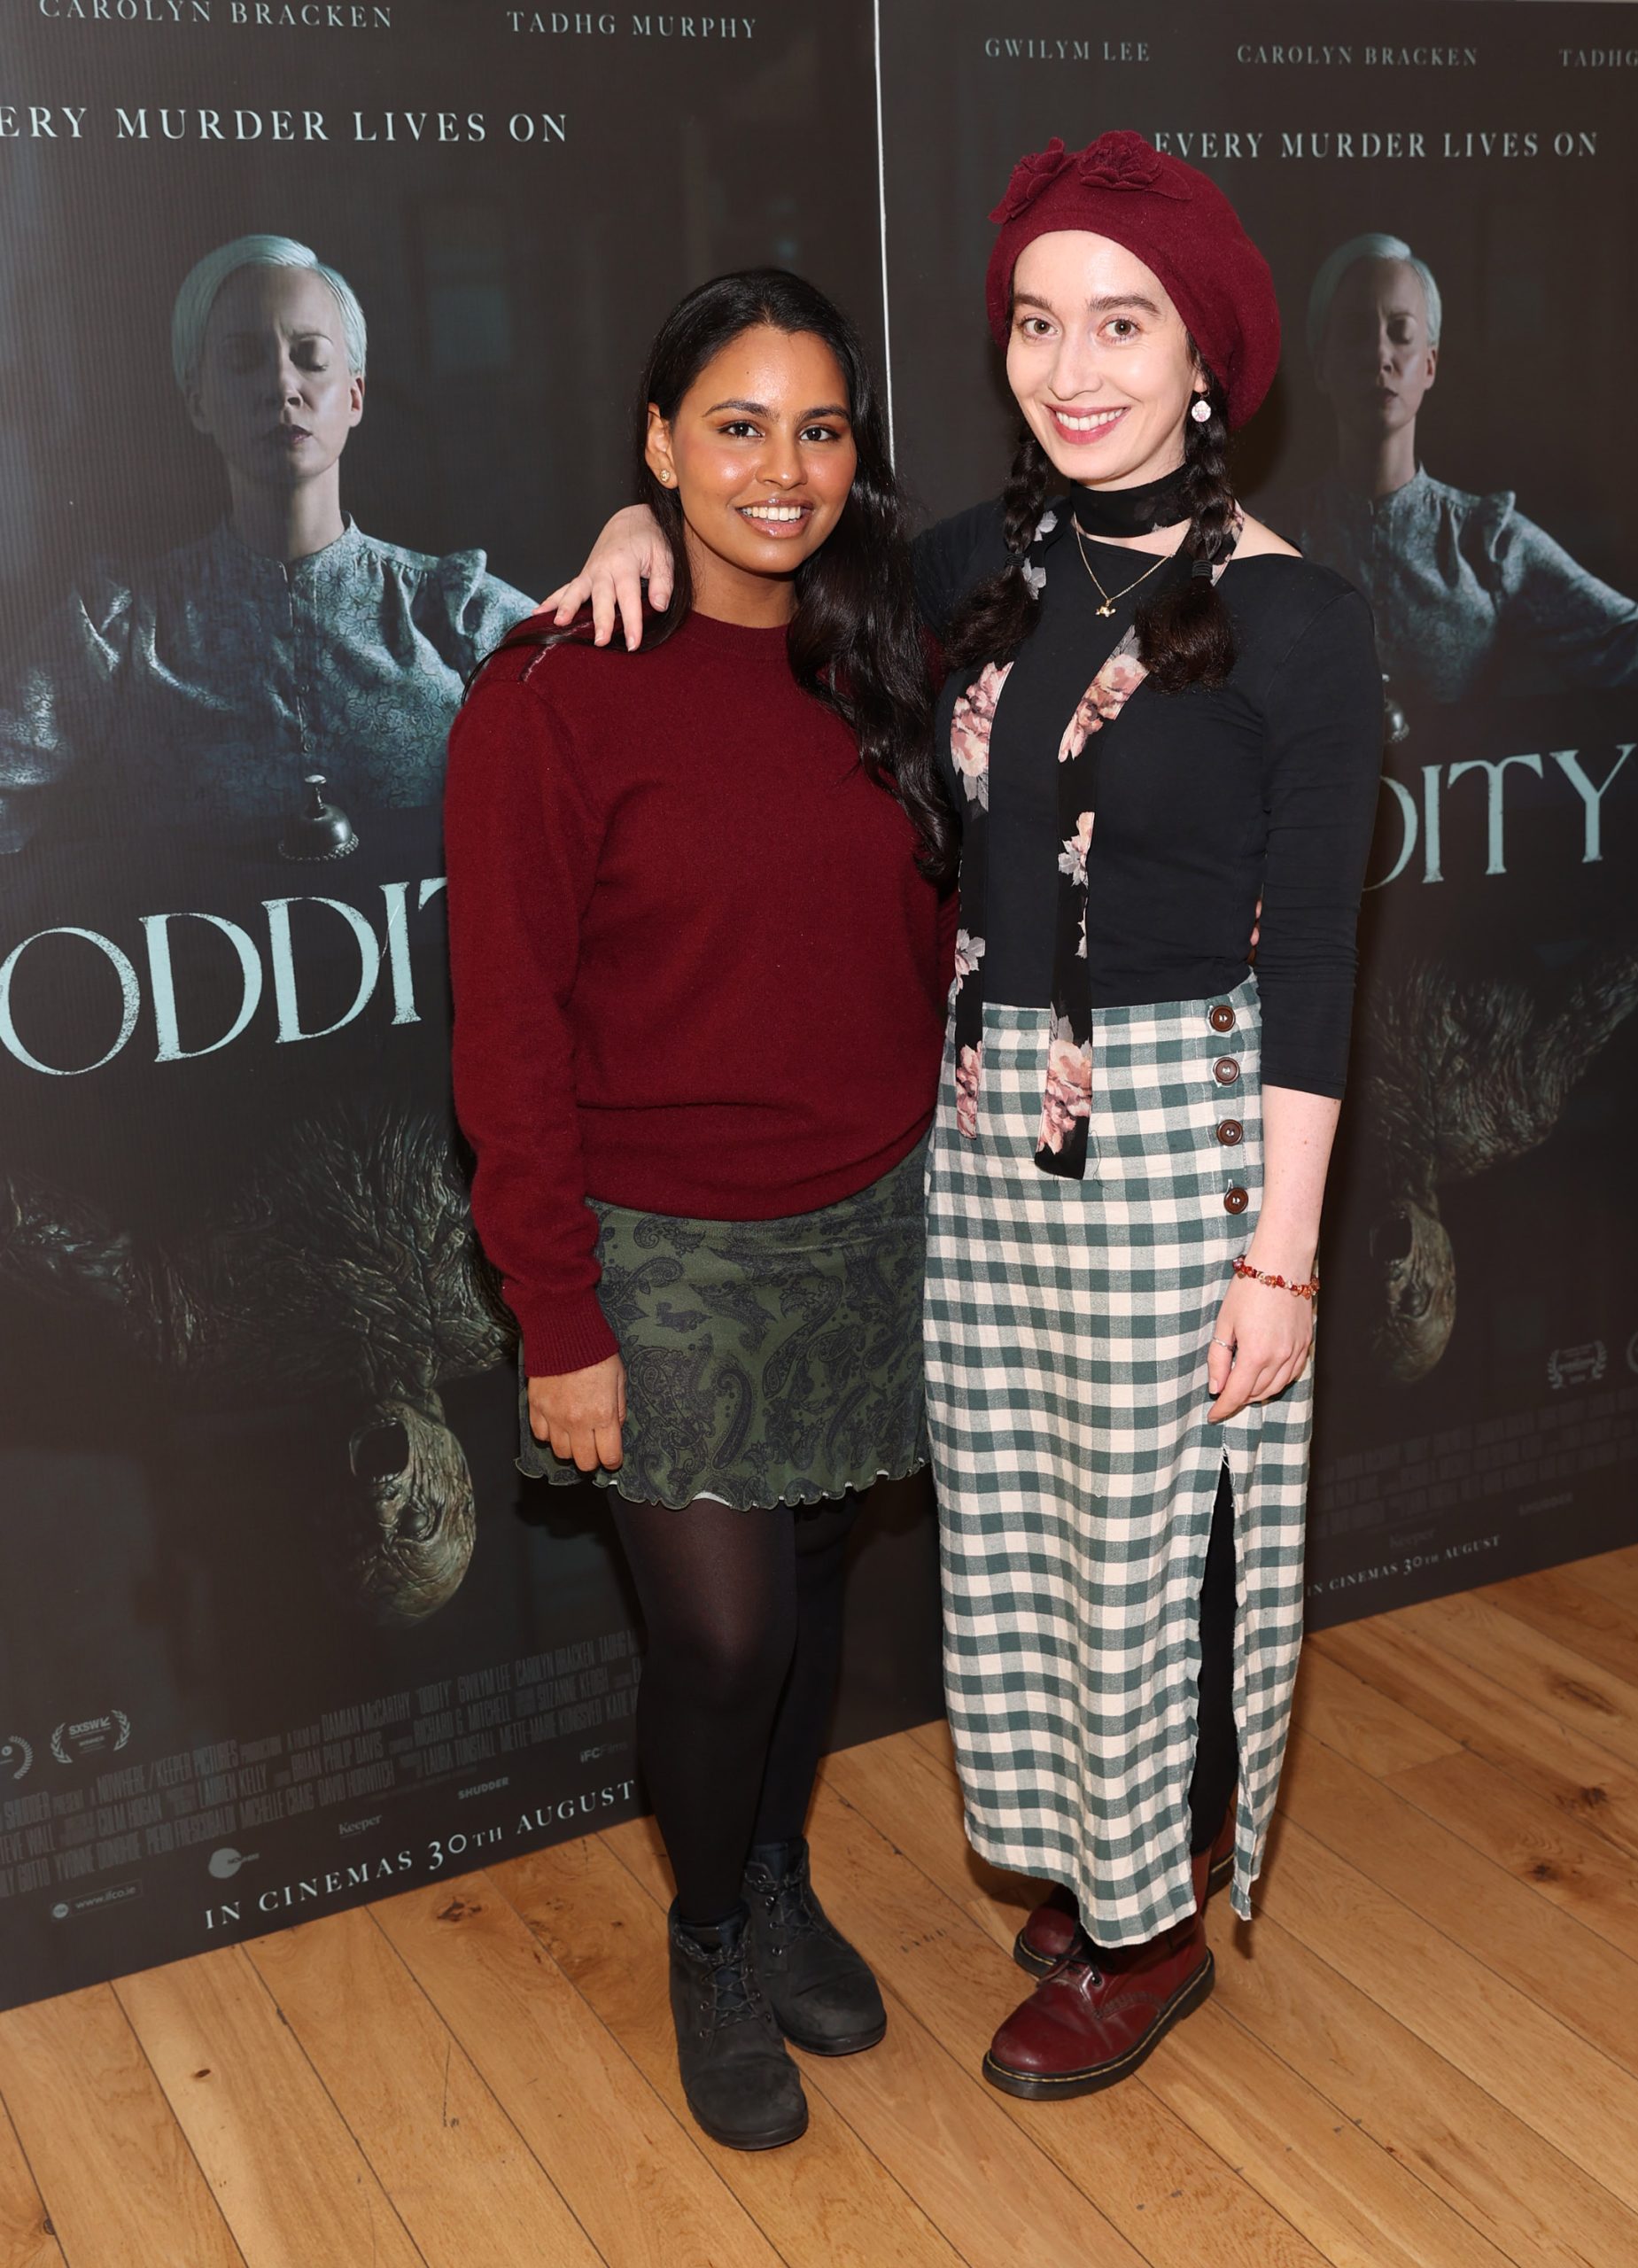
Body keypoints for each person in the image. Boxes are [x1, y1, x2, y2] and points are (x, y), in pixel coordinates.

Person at [548, 130, 1385, 2102]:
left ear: (1208, 357)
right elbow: (759, 537)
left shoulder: (1302, 621)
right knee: (1024, 1530)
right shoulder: (967, 573)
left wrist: (1281, 1255)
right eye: (1034, 322)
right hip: (982, 1128)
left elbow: (1319, 967)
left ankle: (1149, 1929)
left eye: (1122, 324)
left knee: (1160, 1544)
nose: (1070, 367)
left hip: (1183, 1141)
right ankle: (1099, 1862)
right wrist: (631, 524)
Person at [444, 269, 954, 2152]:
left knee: (809, 1588)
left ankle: (776, 1875)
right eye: (735, 426)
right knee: (725, 1638)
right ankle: (710, 1938)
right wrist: (558, 1315)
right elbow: (506, 1033)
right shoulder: (545, 693)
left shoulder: (886, 654)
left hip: (872, 1215)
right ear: (657, 441)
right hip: (654, 1240)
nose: (780, 469)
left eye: (817, 429)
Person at [0, 233, 532, 858]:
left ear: (354, 395)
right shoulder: (122, 634)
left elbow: (611, 754)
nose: (282, 384)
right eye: (243, 359)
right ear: (198, 402)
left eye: (311, 357)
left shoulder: (458, 617)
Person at [1292, 230, 1638, 725]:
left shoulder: (1488, 543)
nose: (1381, 355)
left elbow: (1630, 642)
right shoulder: (1271, 542)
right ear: (1321, 365)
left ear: (1429, 364)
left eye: (1401, 332)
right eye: (1357, 331)